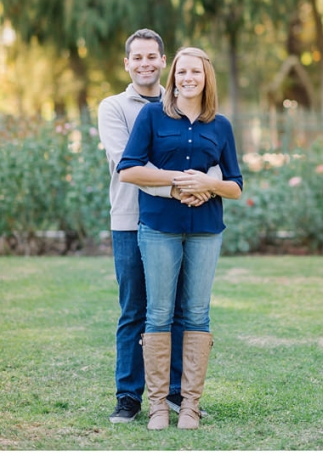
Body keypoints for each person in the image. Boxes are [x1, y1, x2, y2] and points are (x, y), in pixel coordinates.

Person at [117, 47, 243, 430]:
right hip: (158, 228)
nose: (188, 78)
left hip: (206, 229)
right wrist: (178, 181)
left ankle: (189, 405)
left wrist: (210, 183)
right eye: (182, 71)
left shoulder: (220, 125)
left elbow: (235, 185)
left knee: (196, 314)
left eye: (196, 72)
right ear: (173, 77)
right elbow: (128, 169)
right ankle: (157, 406)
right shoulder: (152, 116)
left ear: (207, 78)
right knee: (157, 312)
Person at [98, 30, 218, 424]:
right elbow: (126, 165)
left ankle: (177, 395)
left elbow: (212, 157)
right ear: (127, 64)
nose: (145, 63)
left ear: (164, 62)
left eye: (153, 57)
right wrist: (186, 186)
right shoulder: (114, 107)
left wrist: (204, 186)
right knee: (135, 310)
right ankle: (129, 396)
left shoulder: (187, 107)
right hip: (131, 220)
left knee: (180, 310)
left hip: (179, 222)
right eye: (138, 58)